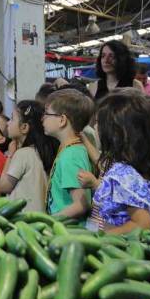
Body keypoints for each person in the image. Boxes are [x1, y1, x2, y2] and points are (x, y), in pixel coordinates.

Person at [77, 92, 150, 234]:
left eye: (98, 123)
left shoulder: (123, 175)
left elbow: (143, 224)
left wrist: (101, 237)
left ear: (116, 132)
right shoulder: (137, 167)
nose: (95, 127)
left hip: (113, 247)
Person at [42, 89, 94, 222]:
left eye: (47, 113)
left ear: (62, 120)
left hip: (70, 231)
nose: (42, 118)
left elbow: (81, 205)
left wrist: (49, 222)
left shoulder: (71, 155)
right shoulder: (70, 150)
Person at [0, 100, 58, 212]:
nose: (7, 123)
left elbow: (4, 186)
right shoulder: (42, 152)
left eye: (12, 119)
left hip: (24, 219)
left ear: (24, 127)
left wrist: (10, 155)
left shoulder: (23, 154)